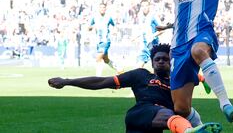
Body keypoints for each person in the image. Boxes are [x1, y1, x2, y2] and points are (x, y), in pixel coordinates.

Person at [48, 44, 222, 133]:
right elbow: (101, 82)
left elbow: (199, 76)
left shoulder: (177, 82)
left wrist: (204, 80)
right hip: (140, 114)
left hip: (154, 127)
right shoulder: (141, 75)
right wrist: (67, 81)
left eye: (165, 59)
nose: (161, 61)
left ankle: (189, 129)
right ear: (152, 62)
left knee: (180, 113)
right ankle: (187, 131)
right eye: (157, 59)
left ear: (171, 62)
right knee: (170, 114)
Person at [89, 2, 122, 76]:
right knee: (106, 59)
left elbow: (114, 25)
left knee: (98, 58)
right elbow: (89, 28)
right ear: (98, 8)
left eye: (103, 7)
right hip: (98, 42)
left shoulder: (109, 17)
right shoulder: (95, 17)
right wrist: (92, 27)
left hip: (106, 41)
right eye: (101, 7)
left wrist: (114, 31)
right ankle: (119, 69)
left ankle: (97, 78)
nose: (102, 9)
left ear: (105, 9)